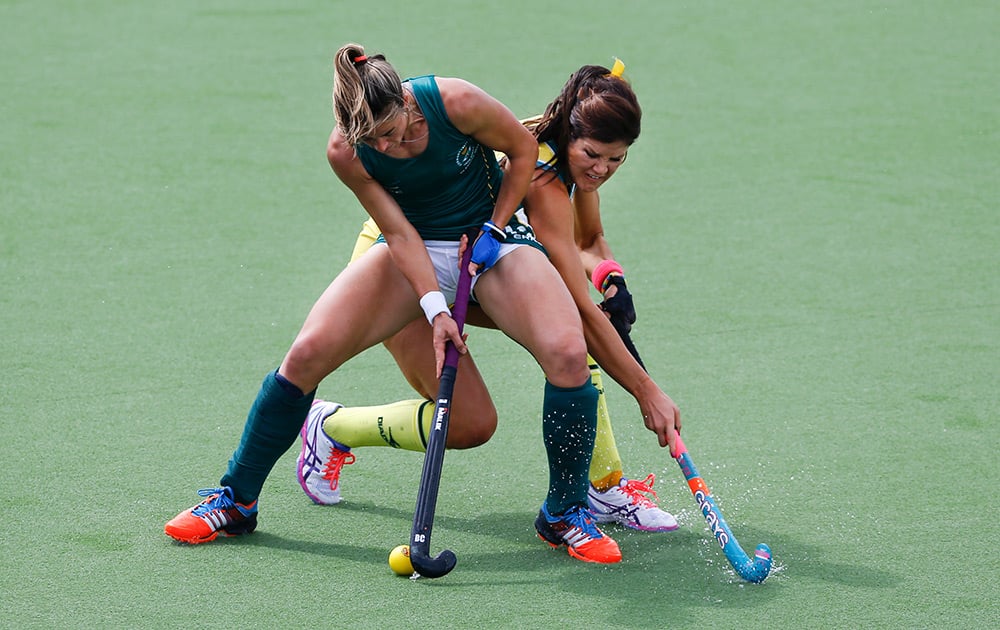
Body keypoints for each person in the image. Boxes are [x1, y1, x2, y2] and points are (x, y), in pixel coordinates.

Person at [165, 43, 627, 564]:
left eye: (398, 128)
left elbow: (522, 150)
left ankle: (564, 512)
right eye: (376, 139)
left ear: (408, 102)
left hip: (491, 240)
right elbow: (399, 233)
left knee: (567, 353)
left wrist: (495, 229)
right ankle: (235, 500)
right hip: (413, 245)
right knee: (306, 352)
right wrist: (435, 311)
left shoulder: (453, 101)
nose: (391, 144)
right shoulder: (346, 151)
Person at [296, 61, 684, 542]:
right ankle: (332, 427)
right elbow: (577, 304)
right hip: (405, 269)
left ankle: (599, 485)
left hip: (478, 272)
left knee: (563, 354)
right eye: (595, 155)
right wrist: (647, 390)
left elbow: (590, 238)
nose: (603, 169)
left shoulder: (575, 166)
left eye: (617, 159)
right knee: (495, 398)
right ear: (572, 136)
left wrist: (610, 277)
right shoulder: (541, 180)